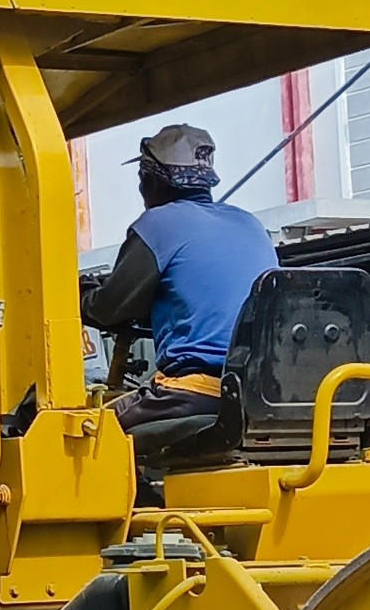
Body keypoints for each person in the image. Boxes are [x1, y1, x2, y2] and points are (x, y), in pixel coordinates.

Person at [81, 124, 278, 438]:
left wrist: (85, 295)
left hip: (194, 395)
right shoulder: (250, 224)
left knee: (82, 436)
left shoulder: (157, 225)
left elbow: (108, 309)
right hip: (262, 393)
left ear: (152, 179)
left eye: (142, 178)